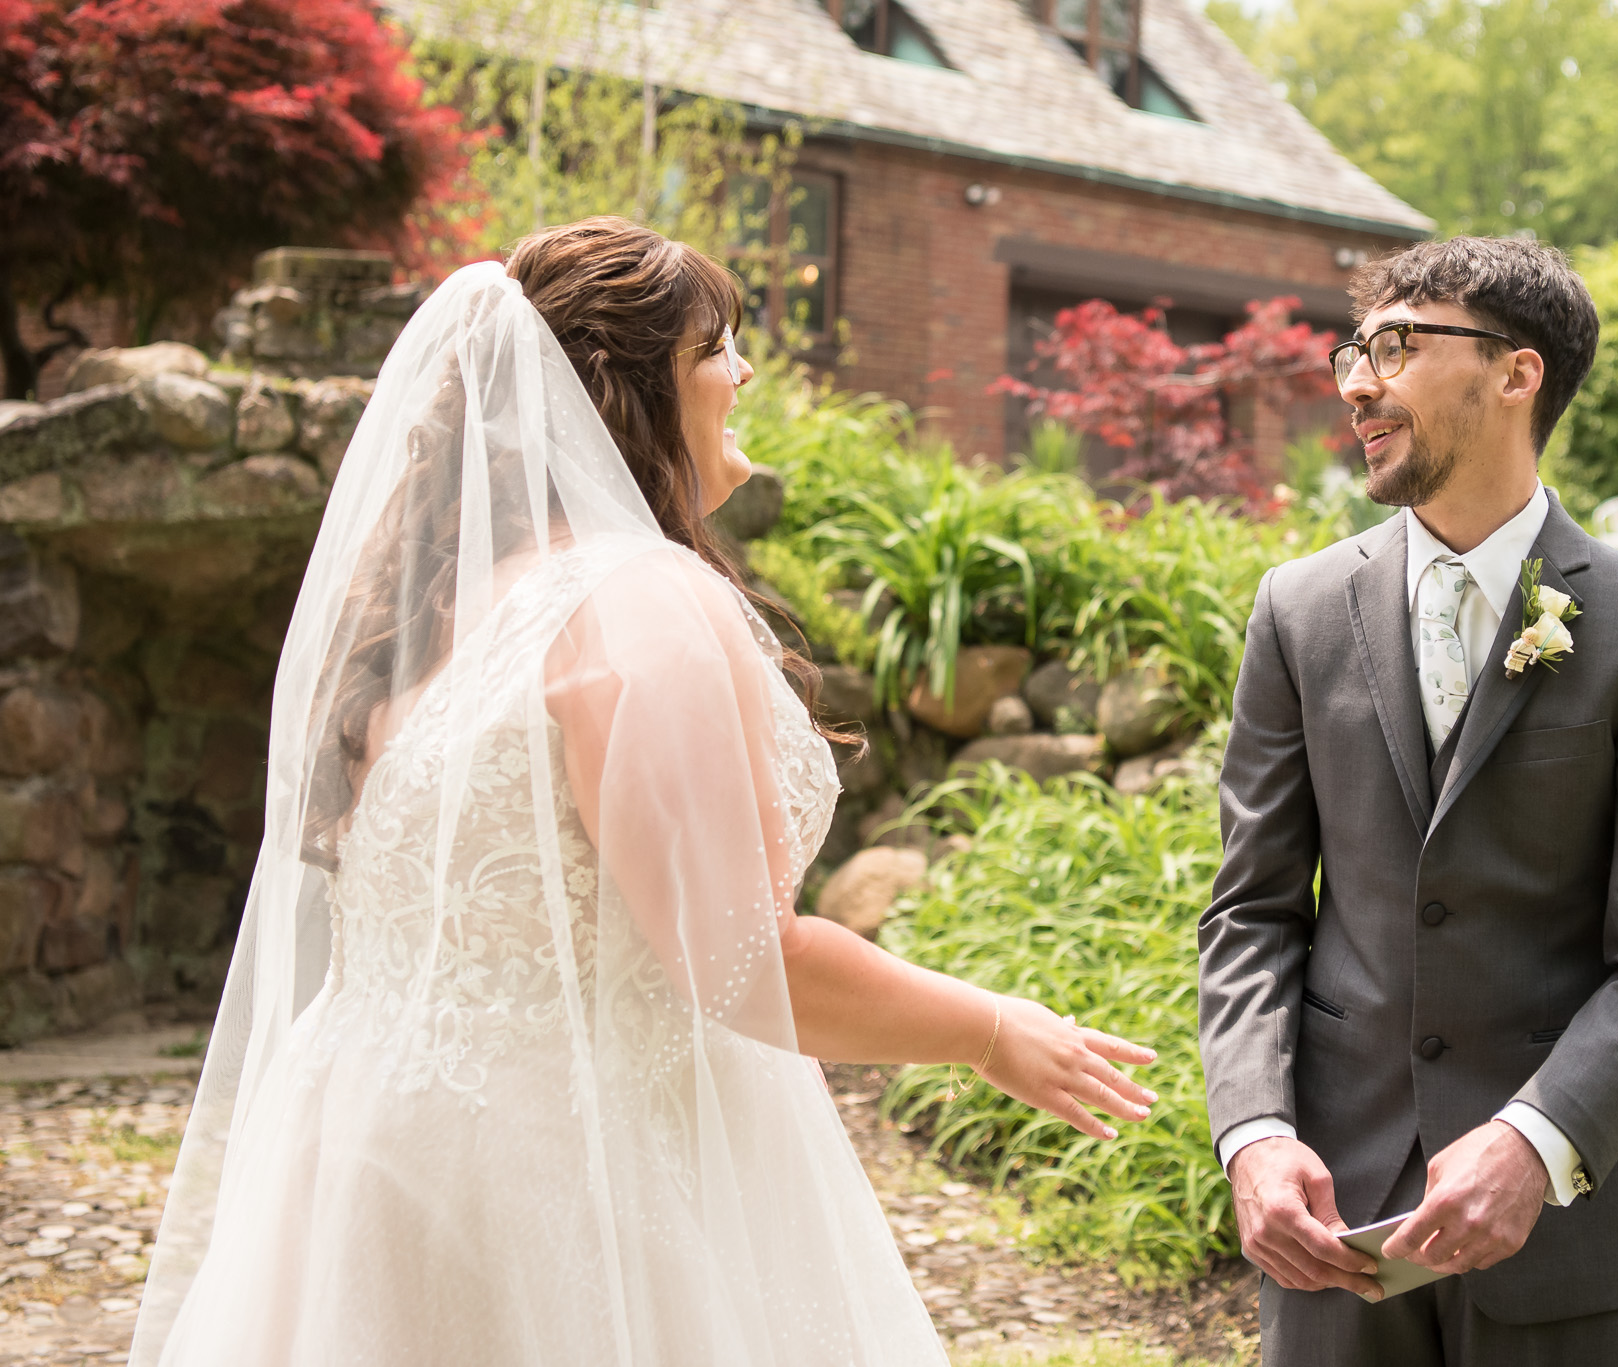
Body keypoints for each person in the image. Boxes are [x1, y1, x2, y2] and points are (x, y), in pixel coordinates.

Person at [131, 217, 1154, 1367]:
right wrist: (991, 1028)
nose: (745, 372)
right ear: (626, 392)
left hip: (370, 1163)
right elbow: (742, 963)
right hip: (568, 1187)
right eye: (715, 346)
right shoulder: (637, 602)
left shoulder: (430, 628)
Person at [1197, 236, 1618, 1365]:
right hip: (1334, 1229)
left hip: (1569, 1257)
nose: (1352, 381)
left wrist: (1533, 1141)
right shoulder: (1295, 609)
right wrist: (1252, 1132)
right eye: (1354, 348)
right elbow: (1251, 914)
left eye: (1394, 345)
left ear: (1514, 373)